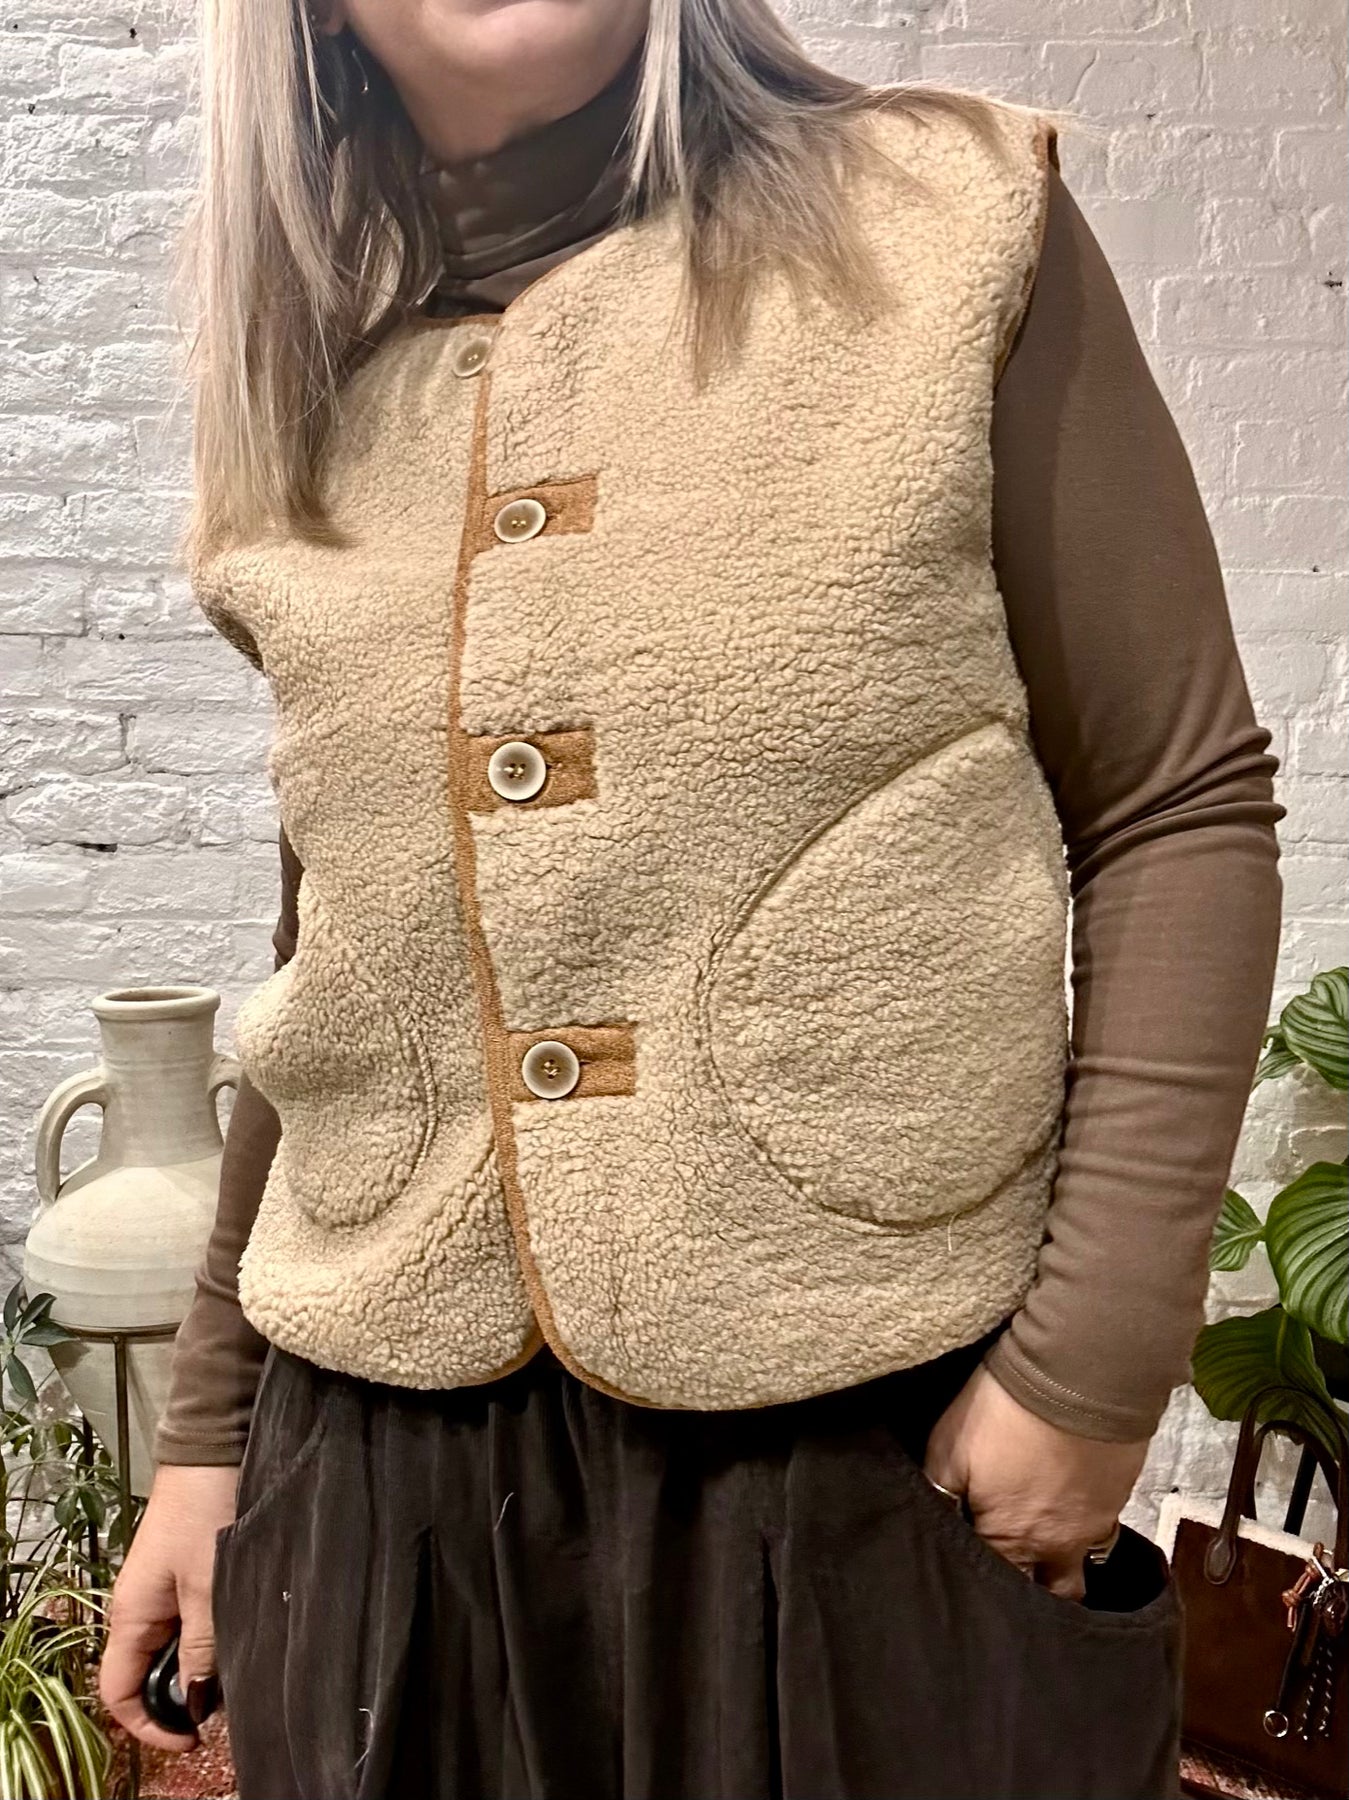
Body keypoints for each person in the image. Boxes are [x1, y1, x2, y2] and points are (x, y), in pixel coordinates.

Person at [97, 1, 1284, 1795]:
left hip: (862, 1460)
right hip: (385, 1488)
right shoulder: (312, 376)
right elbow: (337, 959)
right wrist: (207, 1436)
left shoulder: (945, 231)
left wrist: (1089, 1379)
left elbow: (1174, 801)